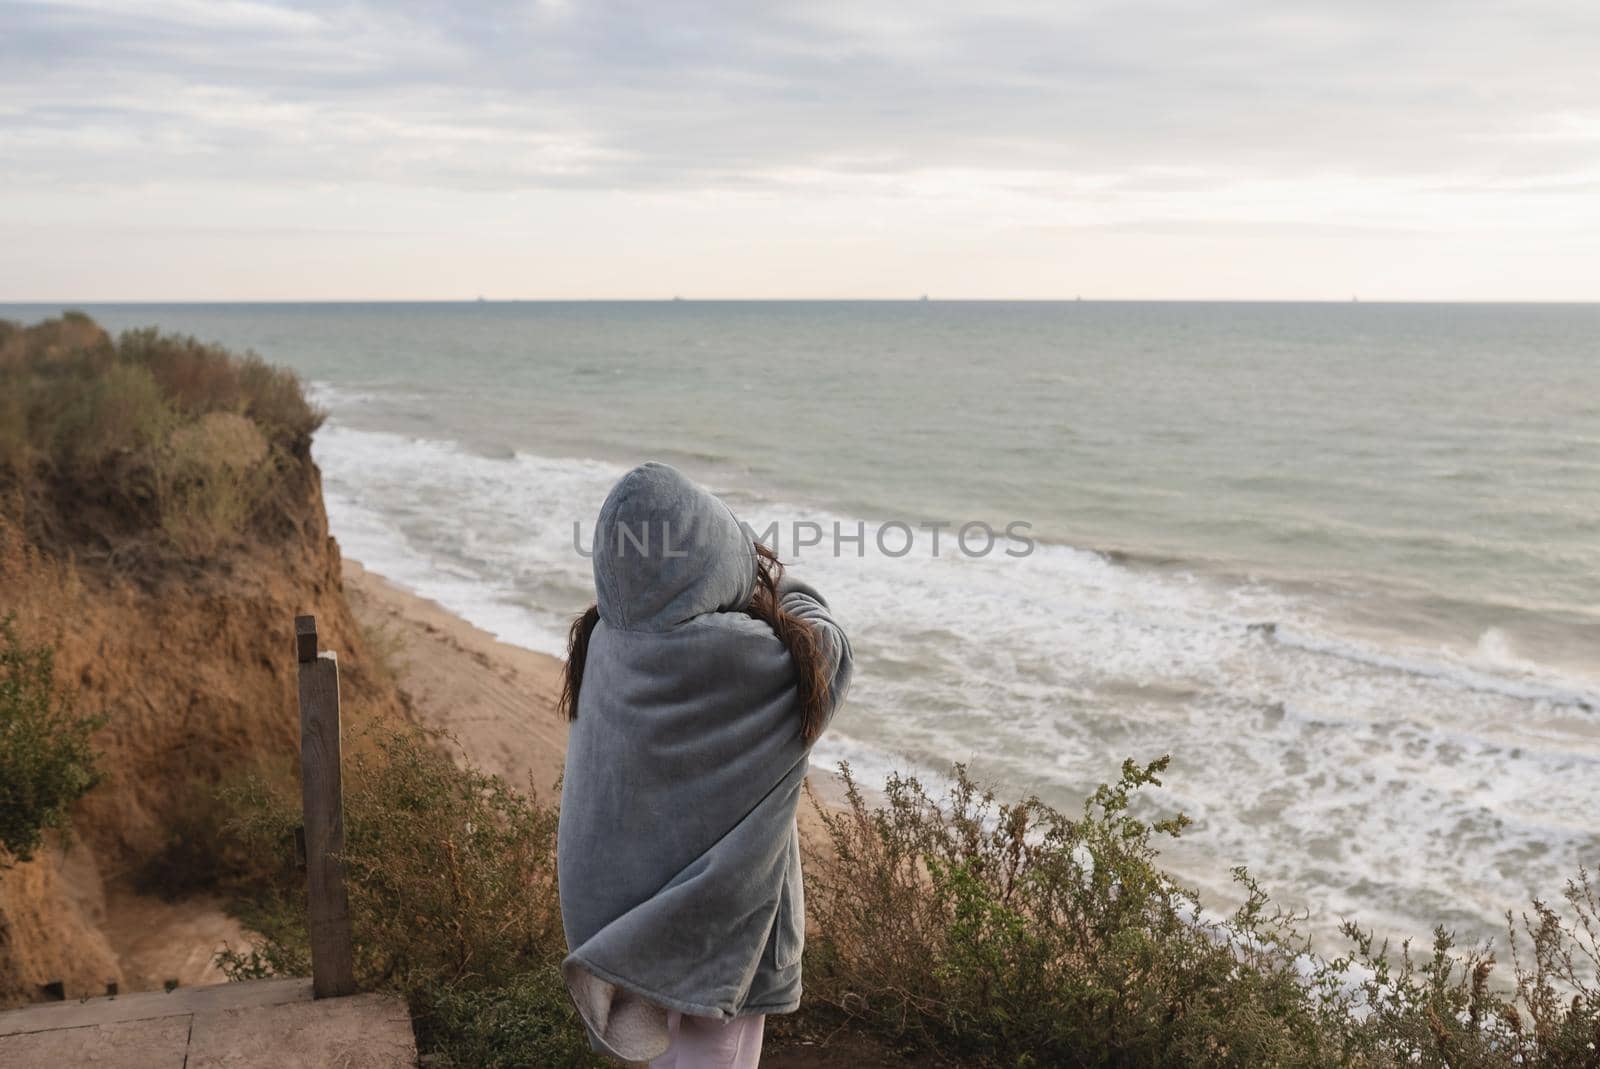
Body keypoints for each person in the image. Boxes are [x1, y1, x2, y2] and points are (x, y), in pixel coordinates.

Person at [557, 462, 852, 1067]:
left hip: (632, 919)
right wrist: (763, 575)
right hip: (722, 936)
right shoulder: (742, 658)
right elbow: (832, 649)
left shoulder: (608, 641)